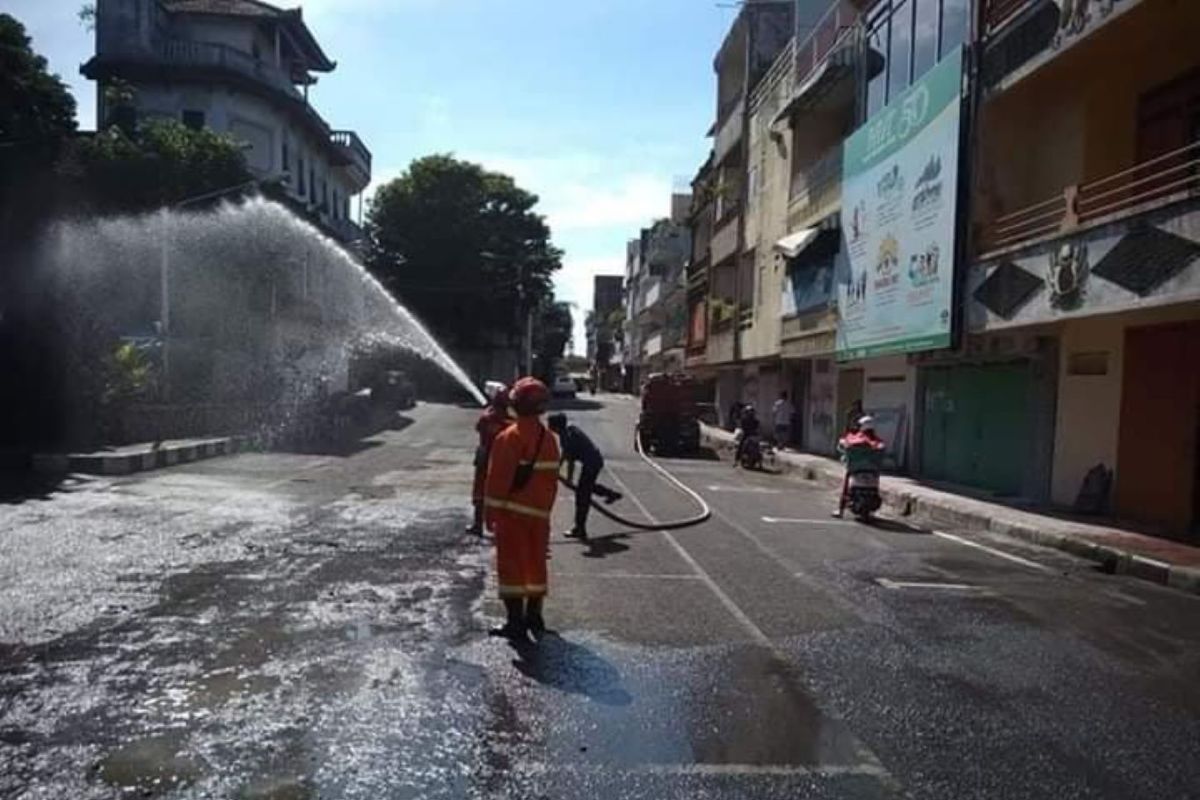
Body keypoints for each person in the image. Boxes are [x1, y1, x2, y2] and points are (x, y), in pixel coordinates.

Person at [483, 377, 561, 640]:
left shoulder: (509, 438)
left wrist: (490, 512)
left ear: (515, 403)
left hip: (512, 515)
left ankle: (515, 623)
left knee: (512, 568)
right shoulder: (549, 439)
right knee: (536, 566)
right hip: (540, 517)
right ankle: (535, 618)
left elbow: (498, 480)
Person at [547, 413, 622, 541]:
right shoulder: (569, 431)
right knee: (586, 487)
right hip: (594, 460)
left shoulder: (568, 437)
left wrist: (569, 480)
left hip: (591, 463)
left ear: (555, 427)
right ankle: (611, 494)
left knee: (582, 496)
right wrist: (557, 467)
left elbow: (570, 461)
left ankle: (580, 529)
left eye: (549, 425)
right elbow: (565, 454)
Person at [466, 385, 512, 536]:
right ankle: (501, 527)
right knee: (503, 492)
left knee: (480, 491)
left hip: (484, 456)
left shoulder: (487, 417)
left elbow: (479, 427)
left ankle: (478, 526)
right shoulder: (510, 421)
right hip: (502, 459)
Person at [833, 415, 886, 518]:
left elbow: (843, 445)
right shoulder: (877, 441)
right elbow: (882, 450)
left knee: (846, 486)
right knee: (876, 486)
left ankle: (840, 510)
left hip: (856, 469)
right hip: (872, 470)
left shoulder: (855, 437)